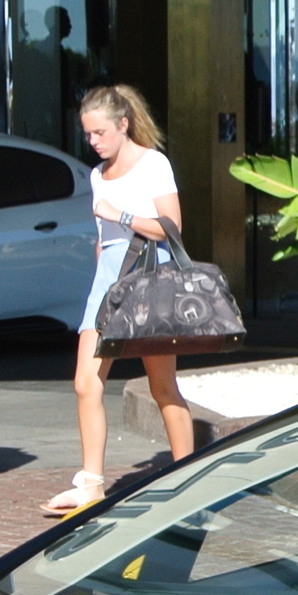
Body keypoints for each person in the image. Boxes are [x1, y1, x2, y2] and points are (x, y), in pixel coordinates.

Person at [48, 83, 194, 516]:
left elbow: (172, 226)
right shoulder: (97, 175)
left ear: (123, 125)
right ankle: (92, 482)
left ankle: (186, 474)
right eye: (87, 134)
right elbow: (102, 242)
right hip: (108, 282)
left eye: (99, 133)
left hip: (149, 277)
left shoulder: (153, 165)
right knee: (85, 382)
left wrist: (122, 215)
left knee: (162, 386)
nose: (92, 142)